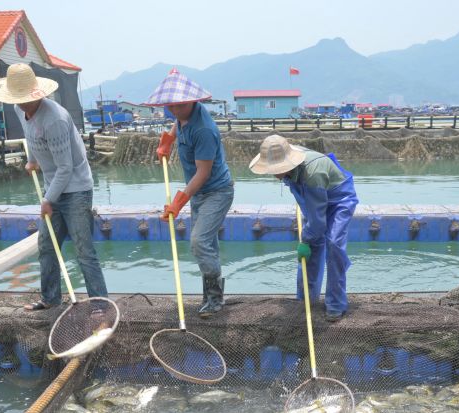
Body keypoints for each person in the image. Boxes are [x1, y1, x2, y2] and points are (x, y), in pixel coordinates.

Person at [0, 63, 108, 311]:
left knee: (83, 250)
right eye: (16, 98)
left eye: (23, 98)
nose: (19, 103)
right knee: (46, 246)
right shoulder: (21, 109)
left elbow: (66, 168)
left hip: (75, 189)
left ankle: (100, 304)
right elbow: (31, 135)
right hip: (54, 187)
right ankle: (50, 299)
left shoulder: (56, 120)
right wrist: (32, 160)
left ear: (36, 94)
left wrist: (48, 200)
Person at [146, 69, 234, 318]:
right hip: (200, 193)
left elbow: (203, 173)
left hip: (217, 191)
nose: (174, 110)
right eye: (170, 105)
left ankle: (215, 299)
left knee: (198, 241)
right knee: (208, 244)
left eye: (178, 105)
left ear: (192, 102)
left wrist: (178, 203)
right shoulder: (182, 115)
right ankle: (209, 296)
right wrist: (167, 140)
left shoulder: (204, 130)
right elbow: (178, 123)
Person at [249, 135, 358, 322]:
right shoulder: (287, 159)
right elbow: (314, 215)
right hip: (315, 198)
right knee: (310, 250)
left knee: (334, 246)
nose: (274, 174)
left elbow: (318, 223)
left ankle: (335, 304)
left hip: (339, 201)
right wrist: (308, 238)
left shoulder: (313, 174)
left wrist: (306, 239)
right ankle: (305, 300)